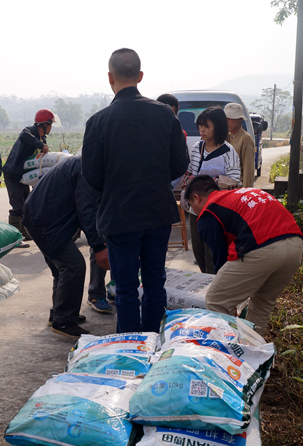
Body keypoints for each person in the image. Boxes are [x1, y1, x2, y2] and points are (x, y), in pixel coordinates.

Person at [82, 48, 189, 333]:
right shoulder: (165, 114)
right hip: (157, 213)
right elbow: (181, 163)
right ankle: (153, 342)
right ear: (140, 76)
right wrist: (153, 179)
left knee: (126, 289)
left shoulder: (98, 121)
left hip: (120, 216)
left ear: (109, 78)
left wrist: (117, 187)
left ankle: (132, 350)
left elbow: (91, 176)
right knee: (156, 284)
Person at [184, 175, 303, 332]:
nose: (195, 212)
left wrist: (227, 297)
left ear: (196, 198)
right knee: (262, 303)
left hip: (262, 247)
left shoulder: (208, 212)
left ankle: (226, 351)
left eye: (192, 206)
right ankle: (252, 350)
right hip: (295, 245)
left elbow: (219, 258)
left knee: (216, 300)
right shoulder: (237, 195)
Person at [24, 155, 110, 337]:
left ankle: (58, 312)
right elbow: (87, 209)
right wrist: (98, 246)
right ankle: (63, 321)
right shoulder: (87, 170)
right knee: (73, 265)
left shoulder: (81, 162)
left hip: (40, 218)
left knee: (61, 269)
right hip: (45, 222)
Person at [183, 106, 241, 275]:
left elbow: (234, 180)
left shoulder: (229, 152)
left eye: (206, 126)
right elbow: (189, 173)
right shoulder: (197, 148)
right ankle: (205, 289)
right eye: (200, 125)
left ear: (218, 126)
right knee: (199, 253)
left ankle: (213, 291)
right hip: (196, 210)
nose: (202, 129)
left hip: (217, 212)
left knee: (213, 255)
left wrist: (208, 184)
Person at [3, 109, 56, 246]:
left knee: (27, 207)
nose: (51, 127)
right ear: (44, 124)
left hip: (23, 176)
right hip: (13, 174)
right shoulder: (29, 131)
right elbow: (23, 135)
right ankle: (14, 240)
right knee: (17, 207)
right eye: (50, 124)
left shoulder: (42, 138)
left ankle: (25, 234)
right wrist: (41, 145)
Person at [224, 103, 256, 188]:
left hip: (238, 188)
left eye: (230, 119)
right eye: (225, 119)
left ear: (239, 120)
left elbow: (248, 169)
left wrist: (245, 192)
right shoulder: (227, 137)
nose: (227, 122)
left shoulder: (246, 139)